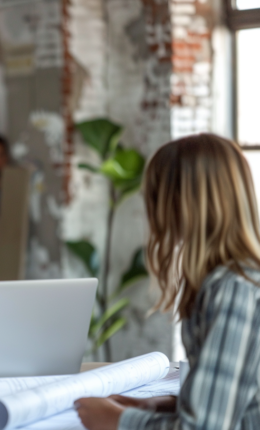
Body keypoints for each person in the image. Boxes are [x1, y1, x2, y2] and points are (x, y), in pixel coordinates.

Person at [74, 133, 260, 429]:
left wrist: (118, 420)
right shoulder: (228, 281)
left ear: (180, 204)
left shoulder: (234, 291)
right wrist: (158, 405)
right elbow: (236, 397)